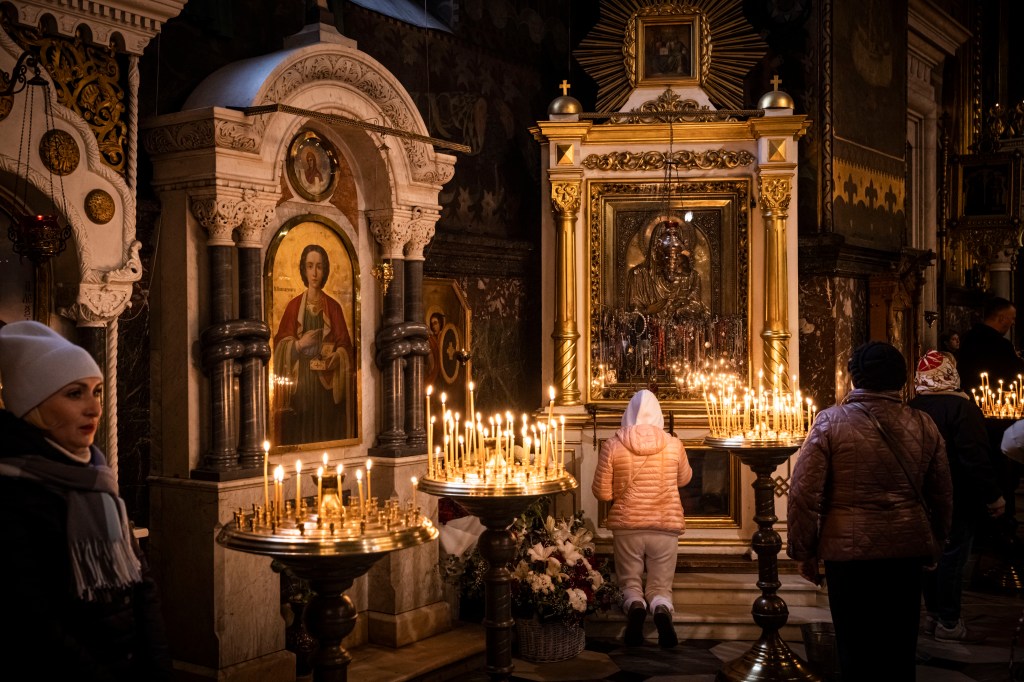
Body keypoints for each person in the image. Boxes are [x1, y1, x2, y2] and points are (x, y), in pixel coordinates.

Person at [0, 321, 172, 681]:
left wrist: (157, 666)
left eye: (96, 392)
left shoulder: (96, 477)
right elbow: (32, 618)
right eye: (75, 393)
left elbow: (141, 584)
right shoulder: (14, 494)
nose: (94, 409)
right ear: (36, 404)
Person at [787, 341, 952, 681]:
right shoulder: (923, 424)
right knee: (899, 649)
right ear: (901, 380)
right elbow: (942, 494)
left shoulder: (830, 422)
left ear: (853, 378)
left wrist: (803, 552)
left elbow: (803, 493)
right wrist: (937, 541)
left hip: (848, 555)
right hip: (906, 548)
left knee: (855, 648)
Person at [908, 350, 1005, 642]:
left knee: (929, 556)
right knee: (952, 557)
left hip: (919, 496)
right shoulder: (962, 409)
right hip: (958, 495)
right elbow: (974, 457)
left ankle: (934, 616)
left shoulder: (911, 407)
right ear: (951, 373)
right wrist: (993, 496)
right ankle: (949, 622)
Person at [592, 389, 693, 648]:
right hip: (665, 526)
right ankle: (660, 607)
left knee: (629, 581)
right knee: (661, 585)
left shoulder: (612, 444)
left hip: (628, 527)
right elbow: (684, 479)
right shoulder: (674, 444)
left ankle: (635, 604)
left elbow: (601, 493)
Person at [273, 244, 355, 444]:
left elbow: (346, 345)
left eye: (319, 266)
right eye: (310, 266)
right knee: (302, 429)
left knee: (324, 431)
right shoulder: (294, 307)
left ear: (325, 270)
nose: (315, 272)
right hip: (301, 383)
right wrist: (299, 345)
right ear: (303, 269)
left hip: (325, 384)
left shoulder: (334, 308)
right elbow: (277, 349)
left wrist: (339, 356)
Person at [625, 219, 707, 318]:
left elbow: (696, 306)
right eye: (666, 247)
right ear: (655, 249)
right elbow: (631, 314)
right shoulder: (638, 275)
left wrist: (679, 308)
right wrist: (646, 311)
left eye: (676, 248)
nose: (671, 254)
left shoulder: (692, 277)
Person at [956, 296, 1024, 393]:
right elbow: (1016, 374)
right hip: (994, 400)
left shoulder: (967, 337)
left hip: (967, 397)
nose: (1013, 323)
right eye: (1012, 318)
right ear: (1001, 319)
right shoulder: (1001, 345)